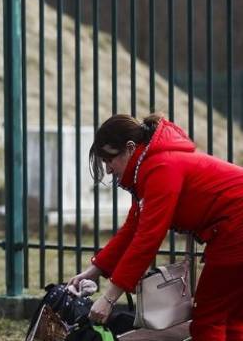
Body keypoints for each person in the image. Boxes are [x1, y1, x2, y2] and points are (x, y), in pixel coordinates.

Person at [68, 114, 243, 340]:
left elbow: (147, 239)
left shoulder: (161, 167)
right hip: (231, 229)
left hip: (235, 230)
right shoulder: (150, 167)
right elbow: (132, 228)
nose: (109, 170)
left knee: (209, 320)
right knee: (232, 317)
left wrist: (109, 298)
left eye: (109, 160)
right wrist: (95, 270)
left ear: (130, 148)